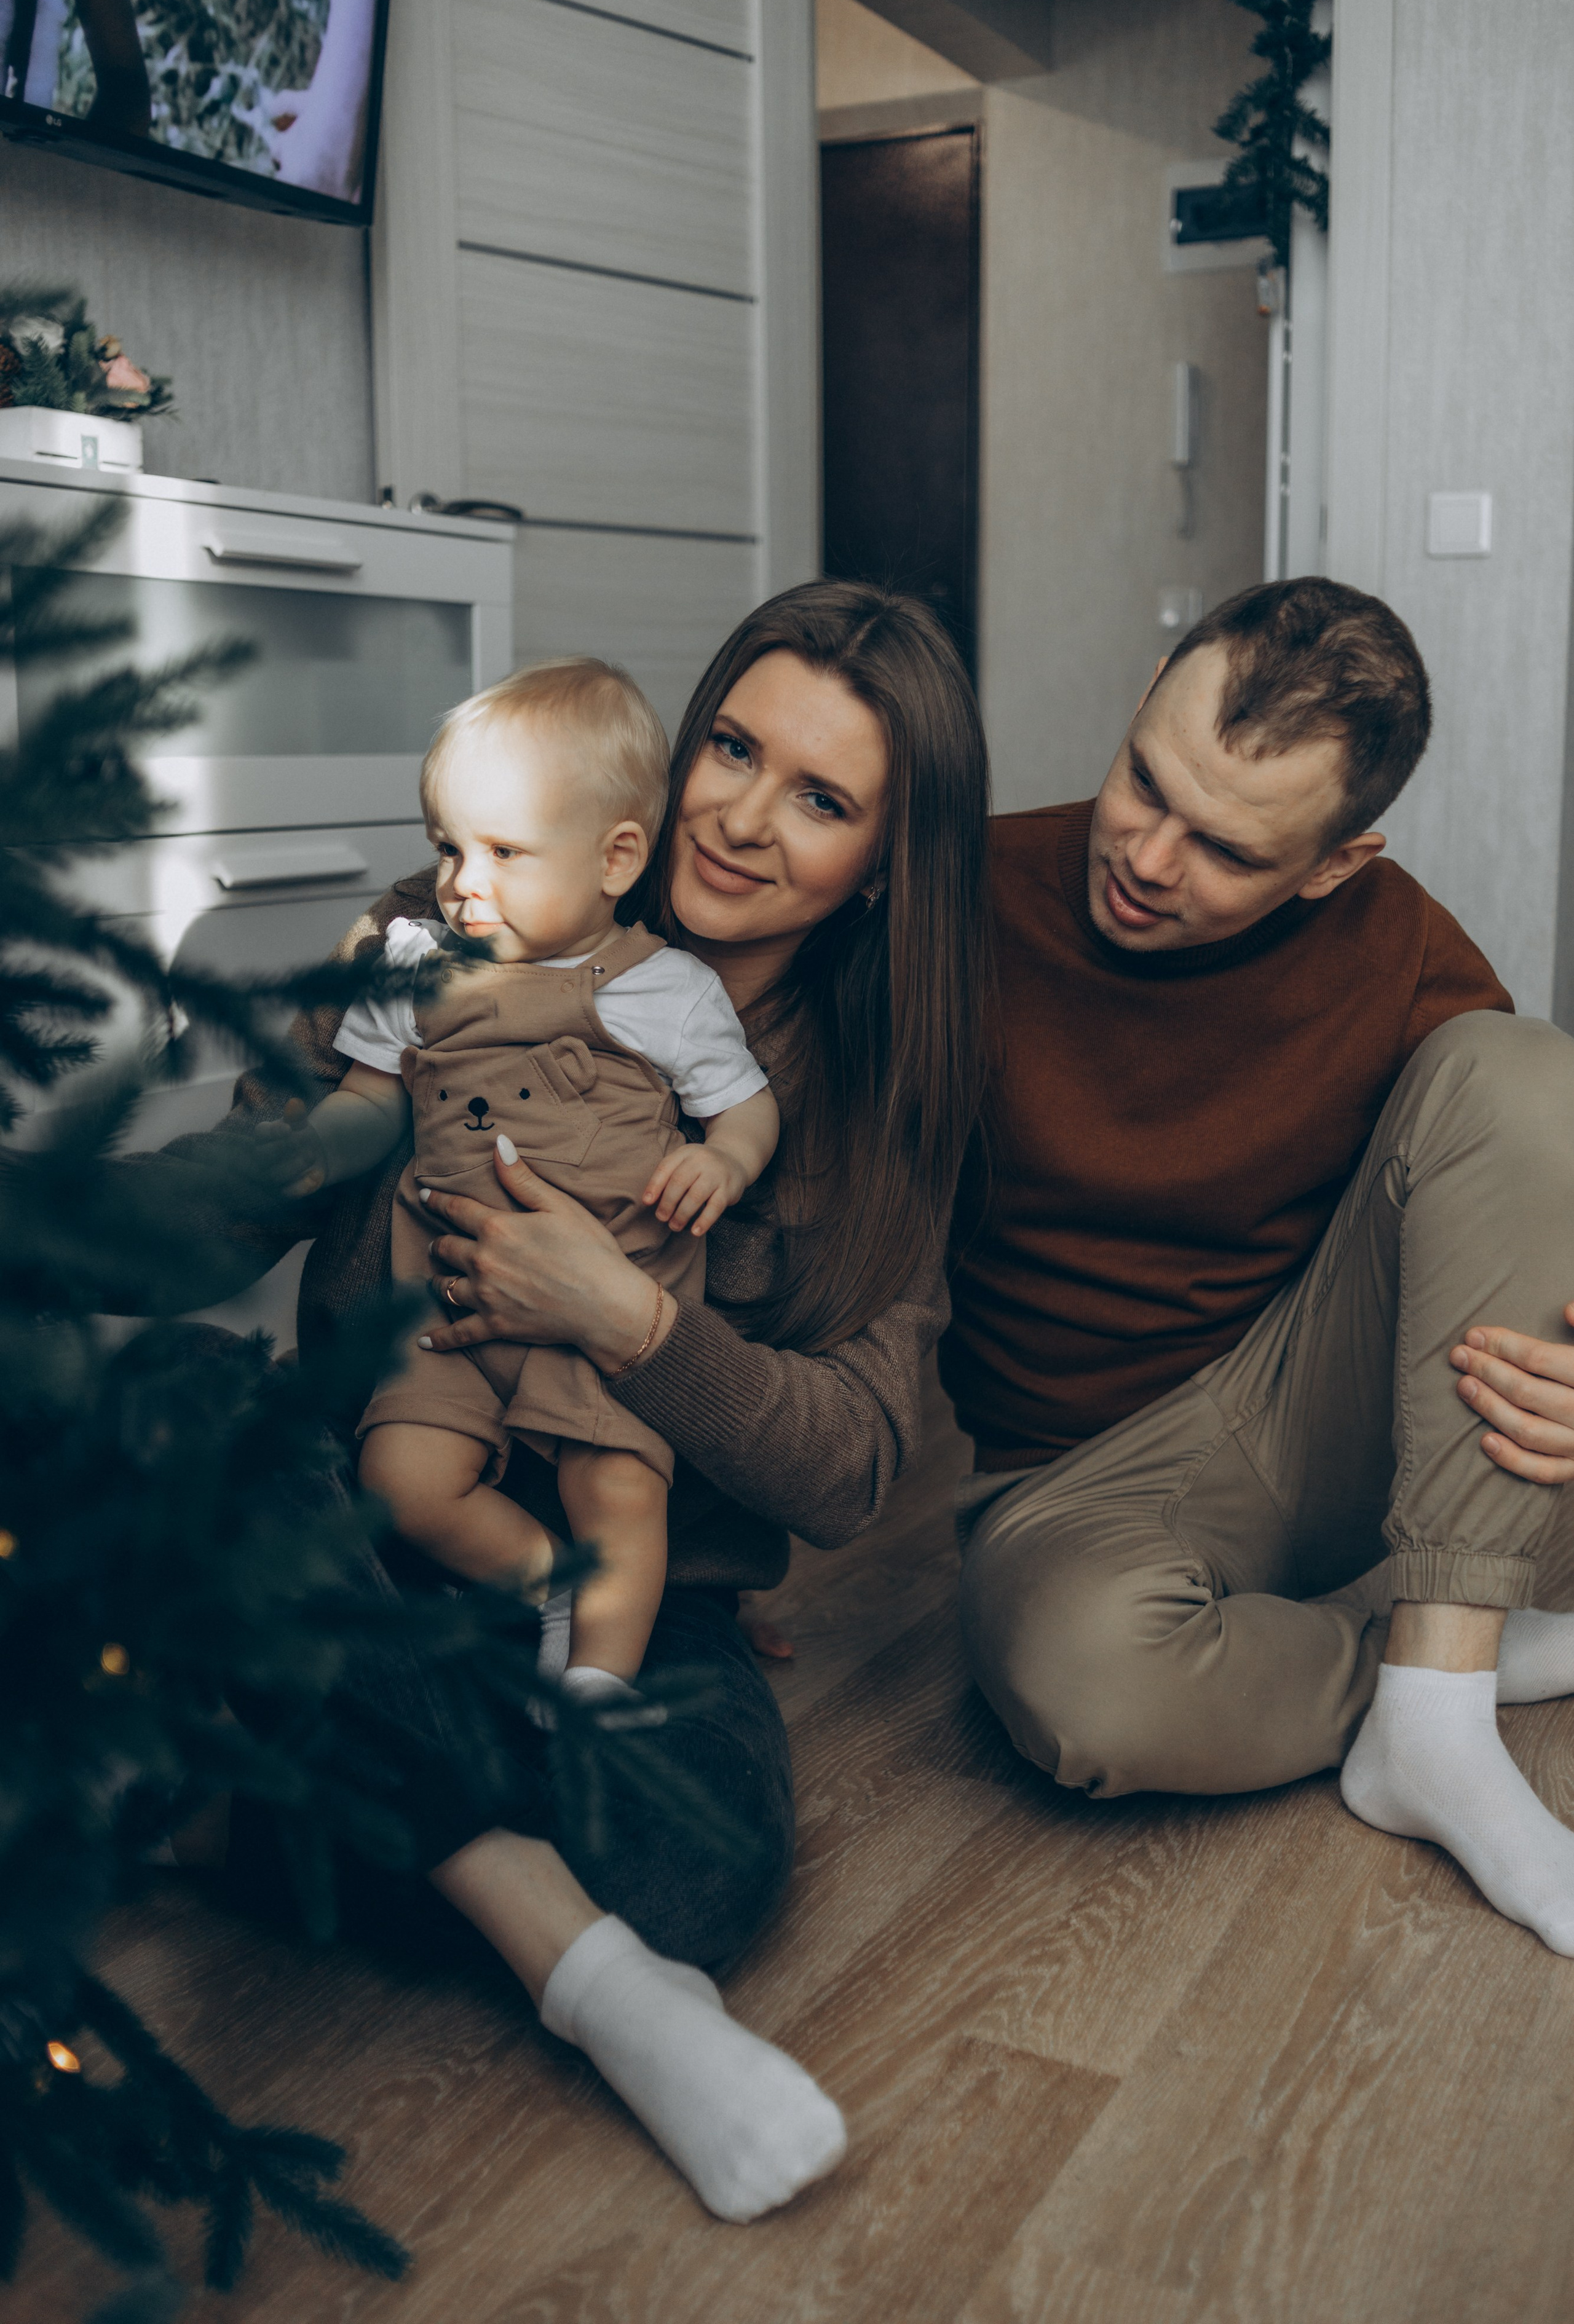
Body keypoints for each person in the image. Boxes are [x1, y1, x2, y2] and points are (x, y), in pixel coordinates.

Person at [204, 581, 992, 2221]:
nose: (744, 819)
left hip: (627, 1593)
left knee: (700, 1856)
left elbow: (852, 1471)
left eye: (823, 800)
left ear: (883, 869)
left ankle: (310, 1783)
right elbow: (275, 1172)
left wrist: (634, 1323)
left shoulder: (853, 1111)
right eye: (732, 747)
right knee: (203, 1437)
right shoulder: (469, 904)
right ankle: (585, 1969)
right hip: (367, 1496)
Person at [940, 575, 1574, 1956]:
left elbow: (1521, 1185)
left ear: (1334, 863)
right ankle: (1434, 1661)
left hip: (1295, 1400)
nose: (1149, 860)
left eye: (1225, 850)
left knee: (1528, 1075)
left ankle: (1436, 1715)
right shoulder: (962, 894)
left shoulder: (1395, 940)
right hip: (1064, 1477)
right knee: (1088, 1697)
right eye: (1141, 783)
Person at [269, 658, 778, 1696]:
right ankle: (552, 1587)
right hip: (445, 1302)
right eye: (448, 846)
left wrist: (720, 1158)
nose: (464, 879)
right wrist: (308, 1147)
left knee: (624, 1491)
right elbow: (370, 1100)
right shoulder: (417, 961)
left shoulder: (666, 991)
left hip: (608, 1301)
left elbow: (746, 1107)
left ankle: (597, 1687)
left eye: (503, 850)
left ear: (615, 858)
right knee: (400, 1482)